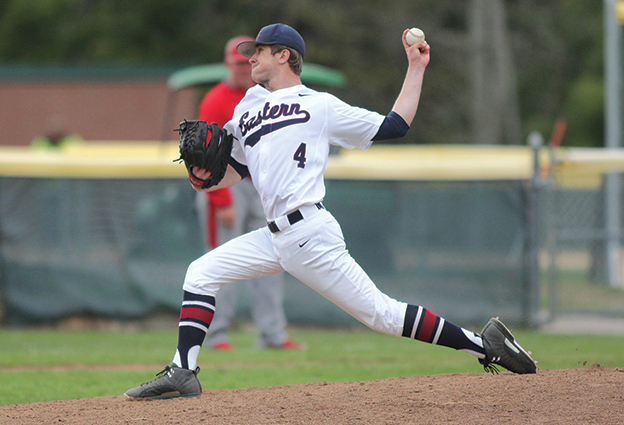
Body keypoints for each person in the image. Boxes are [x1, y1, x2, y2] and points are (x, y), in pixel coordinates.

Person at [125, 23, 537, 400]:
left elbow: (395, 125)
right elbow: (235, 172)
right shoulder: (247, 110)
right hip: (274, 237)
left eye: (260, 51)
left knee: (381, 314)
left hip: (309, 233)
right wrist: (204, 176)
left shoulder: (318, 105)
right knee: (201, 272)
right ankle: (183, 371)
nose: (251, 58)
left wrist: (416, 67)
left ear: (284, 55)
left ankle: (486, 345)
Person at [195, 36, 302, 351]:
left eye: (248, 62)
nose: (243, 68)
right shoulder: (215, 100)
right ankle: (215, 336)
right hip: (228, 189)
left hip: (263, 186)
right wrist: (219, 200)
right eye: (237, 63)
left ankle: (272, 334)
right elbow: (205, 157)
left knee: (273, 257)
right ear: (228, 65)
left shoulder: (268, 96)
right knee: (221, 262)